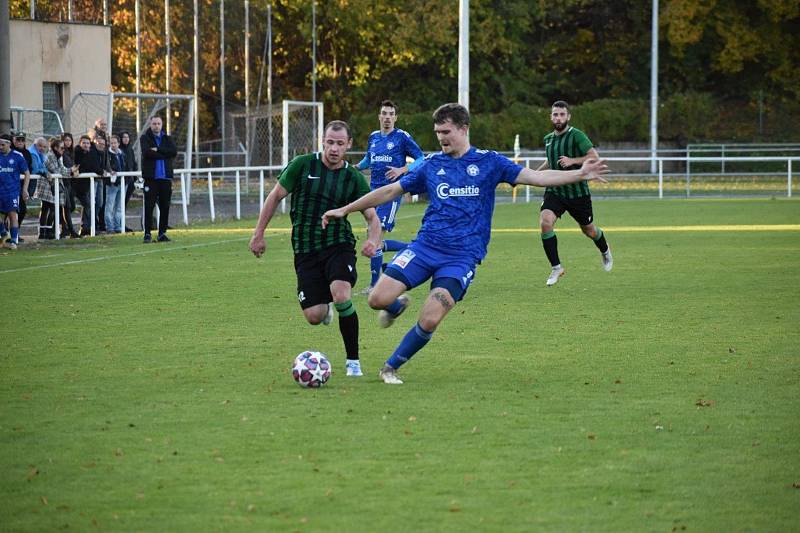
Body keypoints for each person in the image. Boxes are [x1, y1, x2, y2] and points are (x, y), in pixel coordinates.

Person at [322, 103, 609, 384]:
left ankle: (390, 367)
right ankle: (396, 306)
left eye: (446, 131)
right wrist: (346, 209)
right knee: (376, 299)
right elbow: (390, 190)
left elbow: (537, 176)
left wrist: (580, 173)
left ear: (464, 129)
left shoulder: (490, 162)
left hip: (461, 258)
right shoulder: (432, 165)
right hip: (424, 248)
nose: (441, 138)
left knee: (431, 318)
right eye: (437, 132)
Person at [249, 120, 382, 378]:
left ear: (349, 145)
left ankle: (353, 362)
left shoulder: (353, 177)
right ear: (322, 141)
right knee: (314, 315)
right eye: (330, 142)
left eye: (340, 144)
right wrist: (258, 234)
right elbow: (275, 196)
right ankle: (326, 306)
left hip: (338, 245)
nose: (334, 149)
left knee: (342, 294)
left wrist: (373, 242)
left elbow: (372, 217)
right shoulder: (302, 164)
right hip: (305, 248)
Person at [536, 100, 612, 286]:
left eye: (562, 114)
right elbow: (551, 161)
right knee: (545, 222)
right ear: (551, 117)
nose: (558, 117)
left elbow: (594, 157)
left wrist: (572, 161)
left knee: (589, 230)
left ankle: (605, 250)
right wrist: (533, 175)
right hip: (555, 190)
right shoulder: (548, 139)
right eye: (555, 114)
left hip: (578, 193)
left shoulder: (576, 135)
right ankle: (556, 268)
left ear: (568, 116)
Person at [354, 100, 425, 294]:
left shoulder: (402, 137)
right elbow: (369, 158)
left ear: (395, 117)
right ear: (379, 116)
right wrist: (357, 167)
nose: (387, 117)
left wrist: (403, 169)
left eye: (390, 114)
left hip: (391, 192)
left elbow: (421, 158)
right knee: (374, 237)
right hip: (373, 193)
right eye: (384, 113)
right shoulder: (374, 137)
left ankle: (374, 285)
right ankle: (413, 248)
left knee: (374, 237)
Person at [139, 116, 177, 243]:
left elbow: (173, 152)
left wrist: (159, 150)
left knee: (165, 206)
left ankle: (162, 233)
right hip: (151, 178)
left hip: (165, 178)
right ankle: (147, 233)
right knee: (149, 207)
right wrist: (164, 154)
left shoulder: (167, 138)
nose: (156, 126)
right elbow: (147, 153)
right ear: (150, 124)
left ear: (162, 125)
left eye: (158, 123)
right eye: (154, 123)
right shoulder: (145, 138)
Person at [42, 137, 80, 239]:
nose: (63, 150)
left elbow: (62, 170)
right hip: (47, 187)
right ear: (55, 147)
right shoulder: (50, 156)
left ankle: (50, 233)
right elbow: (56, 171)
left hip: (56, 185)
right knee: (49, 210)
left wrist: (72, 170)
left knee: (55, 209)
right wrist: (71, 171)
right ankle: (45, 233)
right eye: (61, 148)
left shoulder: (58, 156)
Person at [0, 133, 31, 249]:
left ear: (9, 144)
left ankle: (13, 241)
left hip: (12, 191)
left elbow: (27, 173)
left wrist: (25, 190)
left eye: (2, 145)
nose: (0, 147)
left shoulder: (17, 156)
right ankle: (3, 231)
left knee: (13, 215)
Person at [72, 134, 103, 235]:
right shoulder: (76, 152)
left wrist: (101, 171)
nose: (86, 145)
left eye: (88, 143)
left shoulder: (91, 153)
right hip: (73, 184)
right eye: (84, 143)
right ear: (80, 143)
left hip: (84, 186)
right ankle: (63, 228)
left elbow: (94, 166)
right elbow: (83, 166)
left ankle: (85, 228)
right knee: (68, 206)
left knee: (88, 205)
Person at [12, 133, 33, 238]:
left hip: (21, 186)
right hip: (9, 186)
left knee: (22, 210)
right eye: (18, 140)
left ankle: (14, 233)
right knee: (8, 212)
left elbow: (28, 170)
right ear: (13, 140)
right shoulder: (9, 153)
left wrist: (27, 189)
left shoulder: (27, 153)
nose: (20, 142)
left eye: (22, 140)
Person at [119, 131, 139, 231]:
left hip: (130, 180)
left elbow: (134, 163)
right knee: (120, 203)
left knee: (125, 203)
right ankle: (119, 224)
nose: (126, 139)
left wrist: (135, 178)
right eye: (124, 137)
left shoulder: (130, 149)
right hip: (122, 181)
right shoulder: (119, 150)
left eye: (127, 137)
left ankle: (122, 223)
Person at [105, 134, 125, 233]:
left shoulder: (122, 154)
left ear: (118, 143)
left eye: (115, 143)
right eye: (111, 143)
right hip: (112, 184)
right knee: (110, 206)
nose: (113, 145)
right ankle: (110, 227)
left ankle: (118, 226)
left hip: (122, 183)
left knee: (119, 207)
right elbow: (106, 166)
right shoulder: (107, 154)